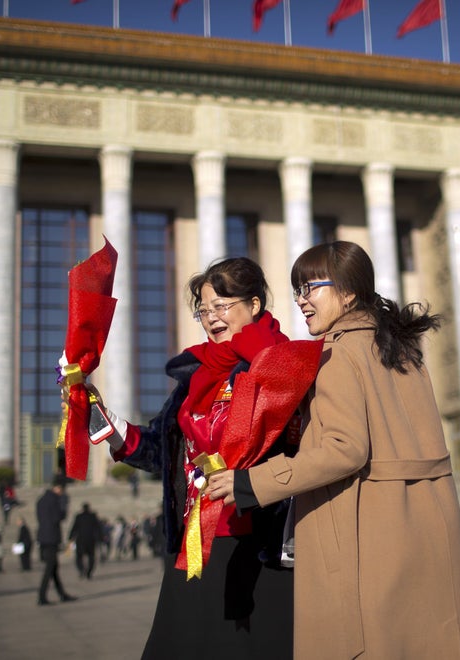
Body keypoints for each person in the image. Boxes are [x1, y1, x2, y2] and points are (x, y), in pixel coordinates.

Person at [208, 241, 460, 660]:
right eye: (297, 290)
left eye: (310, 288)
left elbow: (344, 450)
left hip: (365, 531)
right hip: (426, 525)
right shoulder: (403, 349)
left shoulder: (336, 354)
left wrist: (252, 481)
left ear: (349, 292)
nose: (301, 300)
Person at [95, 257, 311, 659]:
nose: (211, 317)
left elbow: (302, 450)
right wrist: (113, 427)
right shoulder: (196, 374)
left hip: (257, 541)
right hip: (195, 541)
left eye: (222, 305)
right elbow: (163, 448)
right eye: (204, 309)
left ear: (255, 305)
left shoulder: (284, 363)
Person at [36, 477, 75, 605]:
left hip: (43, 536)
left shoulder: (41, 500)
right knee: (50, 568)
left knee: (53, 567)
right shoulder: (54, 500)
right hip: (51, 536)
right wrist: (64, 506)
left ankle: (62, 594)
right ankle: (42, 596)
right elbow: (58, 517)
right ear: (58, 488)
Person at [68, 503, 99, 579]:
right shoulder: (93, 516)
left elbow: (74, 527)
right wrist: (100, 538)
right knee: (91, 557)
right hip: (90, 540)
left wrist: (70, 537)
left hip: (80, 540)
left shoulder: (79, 516)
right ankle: (89, 572)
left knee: (79, 557)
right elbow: (98, 528)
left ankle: (81, 570)